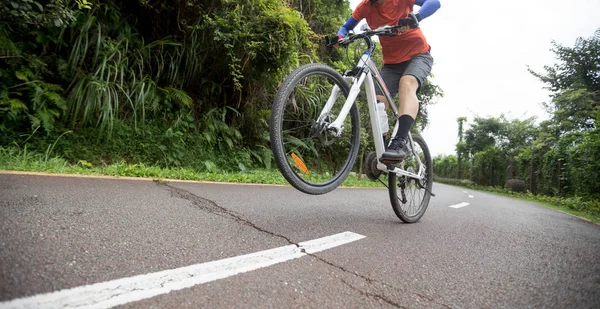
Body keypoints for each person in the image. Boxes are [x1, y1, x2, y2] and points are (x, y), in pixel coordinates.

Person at [336, 0, 440, 162]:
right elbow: (346, 27)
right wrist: (340, 36)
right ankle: (383, 150)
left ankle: (400, 142)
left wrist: (417, 16)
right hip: (392, 65)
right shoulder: (365, 6)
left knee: (406, 84)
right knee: (376, 103)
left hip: (418, 56)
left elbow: (434, 2)